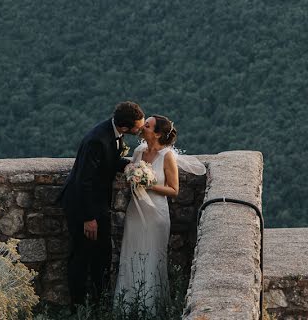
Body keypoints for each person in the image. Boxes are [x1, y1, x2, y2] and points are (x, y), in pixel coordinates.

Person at [113, 115, 206, 313]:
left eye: (147, 125)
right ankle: (127, 308)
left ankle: (151, 310)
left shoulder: (167, 156)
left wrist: (150, 184)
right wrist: (134, 177)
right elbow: (131, 172)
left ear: (157, 134)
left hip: (156, 215)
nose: (142, 127)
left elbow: (174, 190)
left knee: (153, 258)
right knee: (131, 254)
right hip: (135, 212)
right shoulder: (138, 151)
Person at [58, 101, 145, 308]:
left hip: (98, 205)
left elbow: (109, 162)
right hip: (83, 206)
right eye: (138, 127)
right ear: (125, 127)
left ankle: (99, 305)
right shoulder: (97, 140)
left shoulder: (113, 133)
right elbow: (84, 181)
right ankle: (77, 308)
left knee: (102, 255)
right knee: (80, 256)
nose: (140, 130)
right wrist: (89, 218)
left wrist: (129, 165)